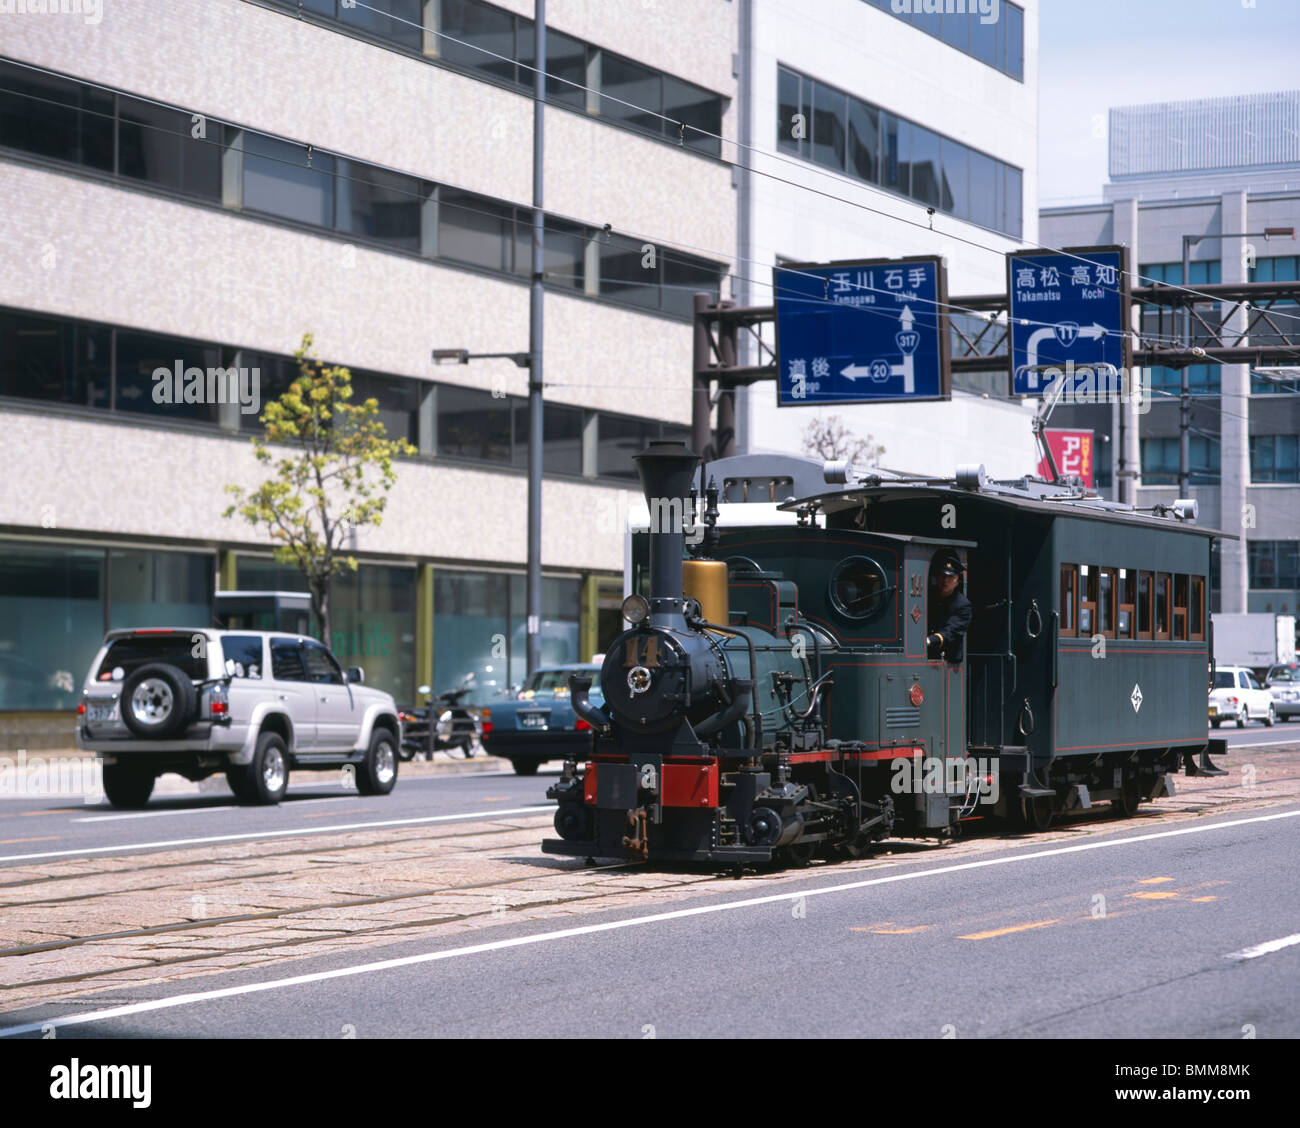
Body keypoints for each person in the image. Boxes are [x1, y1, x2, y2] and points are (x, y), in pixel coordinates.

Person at [926, 557, 971, 664]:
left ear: (957, 581)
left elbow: (951, 632)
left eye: (950, 577)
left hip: (948, 659)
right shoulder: (930, 597)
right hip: (927, 654)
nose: (945, 580)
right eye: (943, 576)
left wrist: (929, 640)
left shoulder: (963, 605)